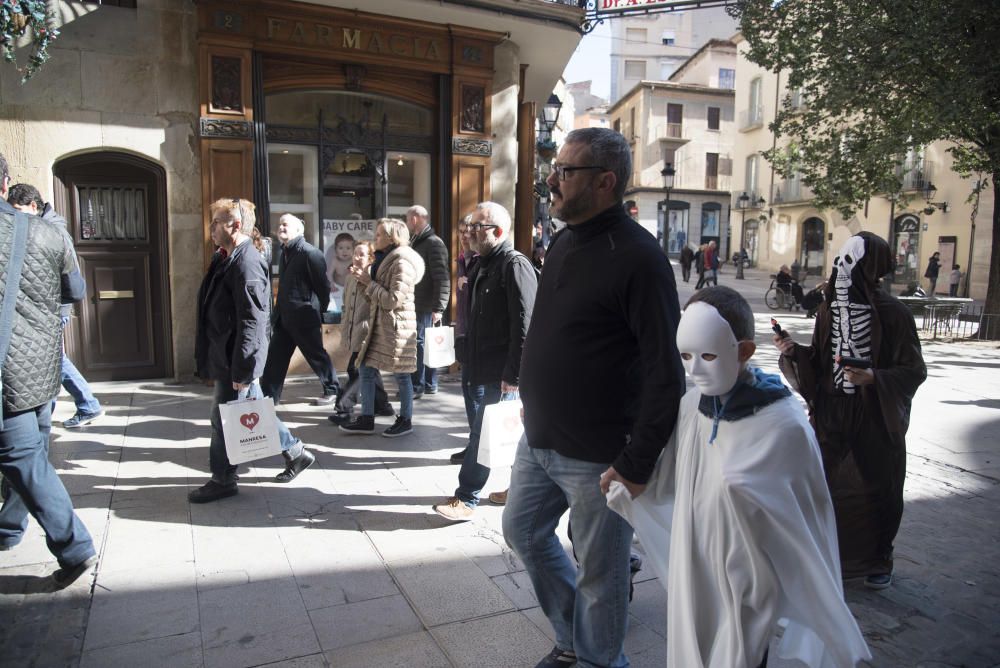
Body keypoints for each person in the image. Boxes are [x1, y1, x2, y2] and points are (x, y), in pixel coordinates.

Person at [609, 287, 871, 668]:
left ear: (744, 351)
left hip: (748, 580)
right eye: (685, 356)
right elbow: (670, 478)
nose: (694, 370)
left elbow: (807, 518)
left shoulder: (784, 424)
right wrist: (627, 486)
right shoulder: (692, 406)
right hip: (695, 565)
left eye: (708, 356)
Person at [503, 127, 685, 668]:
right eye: (554, 170)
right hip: (540, 440)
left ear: (605, 182)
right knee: (523, 531)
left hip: (600, 457)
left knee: (602, 577)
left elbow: (665, 371)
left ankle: (599, 660)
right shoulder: (563, 240)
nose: (552, 182)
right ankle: (572, 641)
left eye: (565, 172)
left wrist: (636, 463)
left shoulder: (640, 257)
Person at [774, 232, 926, 589]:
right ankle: (827, 553)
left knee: (877, 484)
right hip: (832, 412)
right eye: (839, 260)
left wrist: (875, 377)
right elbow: (821, 360)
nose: (841, 270)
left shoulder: (895, 314)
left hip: (872, 414)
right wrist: (794, 351)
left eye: (849, 262)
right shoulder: (828, 311)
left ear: (870, 267)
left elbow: (914, 369)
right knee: (823, 482)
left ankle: (877, 558)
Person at [0, 152, 97, 587]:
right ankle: (8, 530)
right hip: (39, 368)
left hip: (9, 373)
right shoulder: (49, 234)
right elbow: (75, 289)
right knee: (29, 455)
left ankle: (74, 546)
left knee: (24, 460)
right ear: (5, 185)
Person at [190, 199, 316, 503]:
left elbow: (253, 321)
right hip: (227, 352)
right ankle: (296, 452)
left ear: (234, 225)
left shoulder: (246, 262)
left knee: (224, 418)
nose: (211, 228)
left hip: (236, 357)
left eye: (216, 222)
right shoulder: (228, 256)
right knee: (250, 408)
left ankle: (223, 478)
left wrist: (245, 369)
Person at [433, 202, 537, 521]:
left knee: (484, 434)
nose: (469, 232)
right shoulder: (483, 263)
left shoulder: (513, 265)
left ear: (498, 232)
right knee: (516, 436)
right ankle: (522, 490)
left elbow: (526, 323)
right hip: (485, 366)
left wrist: (514, 374)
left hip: (503, 371)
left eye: (477, 227)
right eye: (470, 226)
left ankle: (467, 498)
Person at [6, 183, 104, 428]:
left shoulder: (52, 230)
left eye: (18, 210)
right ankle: (83, 405)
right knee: (52, 359)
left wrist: (58, 308)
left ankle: (83, 405)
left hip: (52, 307)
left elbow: (71, 276)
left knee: (52, 360)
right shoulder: (44, 226)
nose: (15, 216)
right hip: (47, 307)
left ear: (33, 205)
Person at [339, 218, 424, 438]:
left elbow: (392, 300)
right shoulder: (382, 259)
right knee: (366, 369)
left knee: (402, 374)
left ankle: (405, 420)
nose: (374, 238)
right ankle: (367, 418)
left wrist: (368, 282)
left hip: (397, 327)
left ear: (392, 238)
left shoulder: (402, 263)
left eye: (379, 235)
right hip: (379, 325)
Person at [259, 214, 341, 406]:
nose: (281, 228)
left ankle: (333, 389)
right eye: (279, 225)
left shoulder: (310, 253)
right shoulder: (285, 252)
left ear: (298, 230)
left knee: (316, 355)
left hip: (304, 318)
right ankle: (268, 398)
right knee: (275, 360)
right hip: (284, 318)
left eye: (286, 225)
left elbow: (323, 287)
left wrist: (314, 310)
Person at [327, 239, 395, 425]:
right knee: (368, 370)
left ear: (371, 258)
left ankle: (344, 408)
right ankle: (382, 405)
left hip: (368, 333)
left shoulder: (373, 278)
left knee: (357, 369)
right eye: (355, 253)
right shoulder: (350, 277)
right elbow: (346, 305)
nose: (355, 257)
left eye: (361, 254)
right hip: (354, 330)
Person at [405, 205, 450, 397]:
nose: (407, 223)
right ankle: (428, 384)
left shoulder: (433, 243)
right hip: (420, 302)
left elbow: (442, 277)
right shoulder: (417, 241)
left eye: (408, 219)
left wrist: (439, 307)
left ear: (415, 219)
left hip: (426, 304)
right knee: (425, 344)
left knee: (422, 344)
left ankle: (420, 385)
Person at [449, 215, 483, 463]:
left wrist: (467, 284)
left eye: (468, 231)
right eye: (460, 231)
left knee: (477, 393)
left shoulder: (482, 261)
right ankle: (475, 443)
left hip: (480, 337)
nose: (463, 236)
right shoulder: (463, 259)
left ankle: (479, 445)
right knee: (468, 390)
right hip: (464, 333)